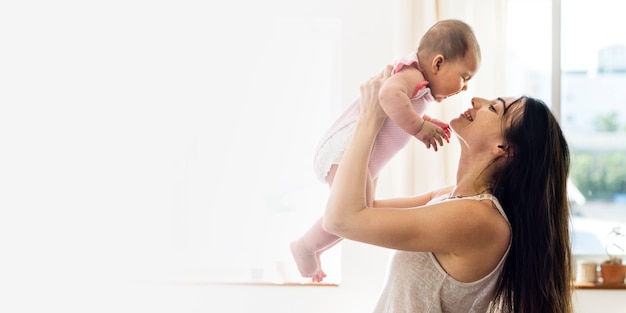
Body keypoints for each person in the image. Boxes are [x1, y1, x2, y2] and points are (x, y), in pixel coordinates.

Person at [323, 66, 573, 313]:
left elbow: (343, 220)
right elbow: (362, 206)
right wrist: (386, 126)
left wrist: (369, 117)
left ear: (503, 148)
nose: (476, 100)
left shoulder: (478, 218)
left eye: (494, 108)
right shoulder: (450, 199)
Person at [290, 19, 481, 282]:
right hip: (346, 148)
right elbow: (388, 95)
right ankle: (305, 247)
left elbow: (400, 112)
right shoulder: (413, 74)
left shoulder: (420, 85)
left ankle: (312, 247)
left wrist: (424, 123)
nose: (465, 87)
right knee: (353, 215)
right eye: (464, 77)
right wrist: (417, 127)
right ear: (437, 63)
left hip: (361, 156)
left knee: (359, 214)